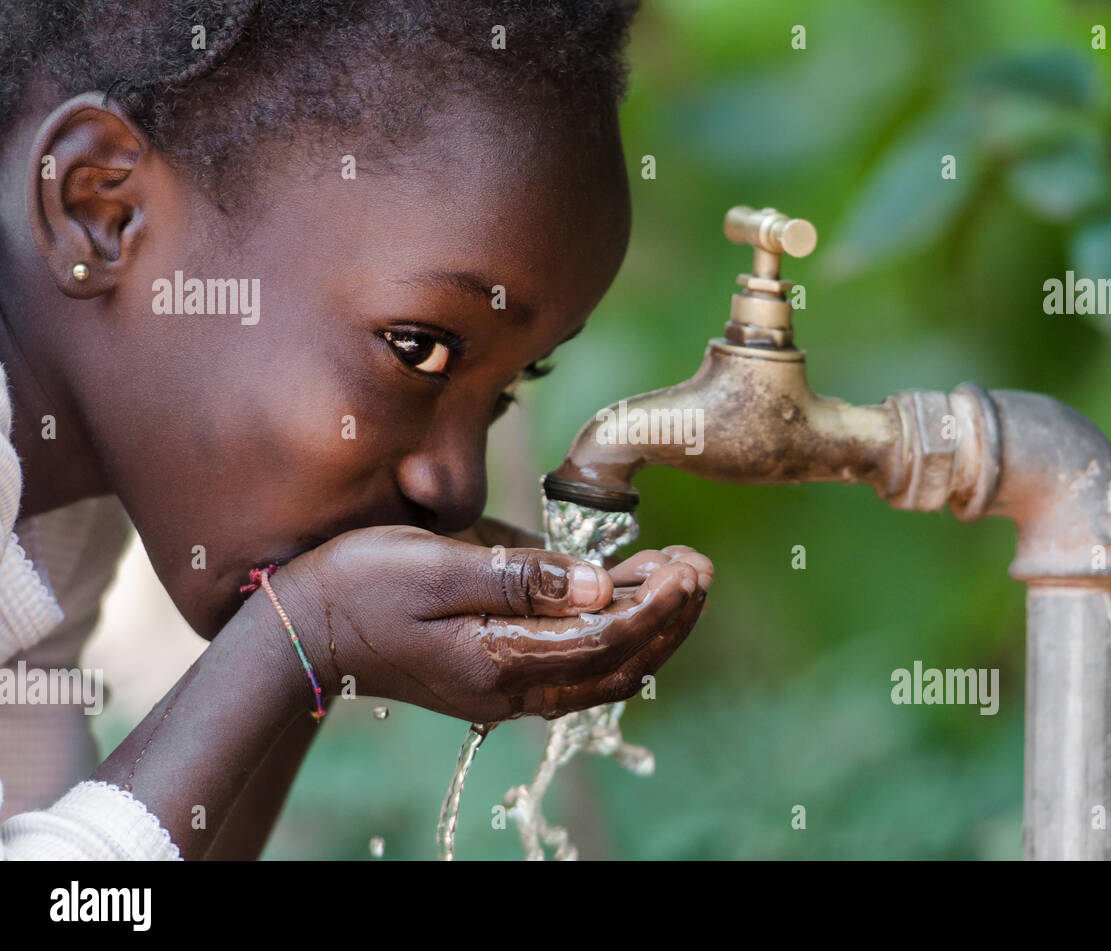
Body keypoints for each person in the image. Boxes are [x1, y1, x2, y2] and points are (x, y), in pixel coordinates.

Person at [0, 0, 712, 859]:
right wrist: (298, 637)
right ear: (100, 208)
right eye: (419, 349)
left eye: (508, 389)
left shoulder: (56, 512)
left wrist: (315, 636)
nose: (455, 488)